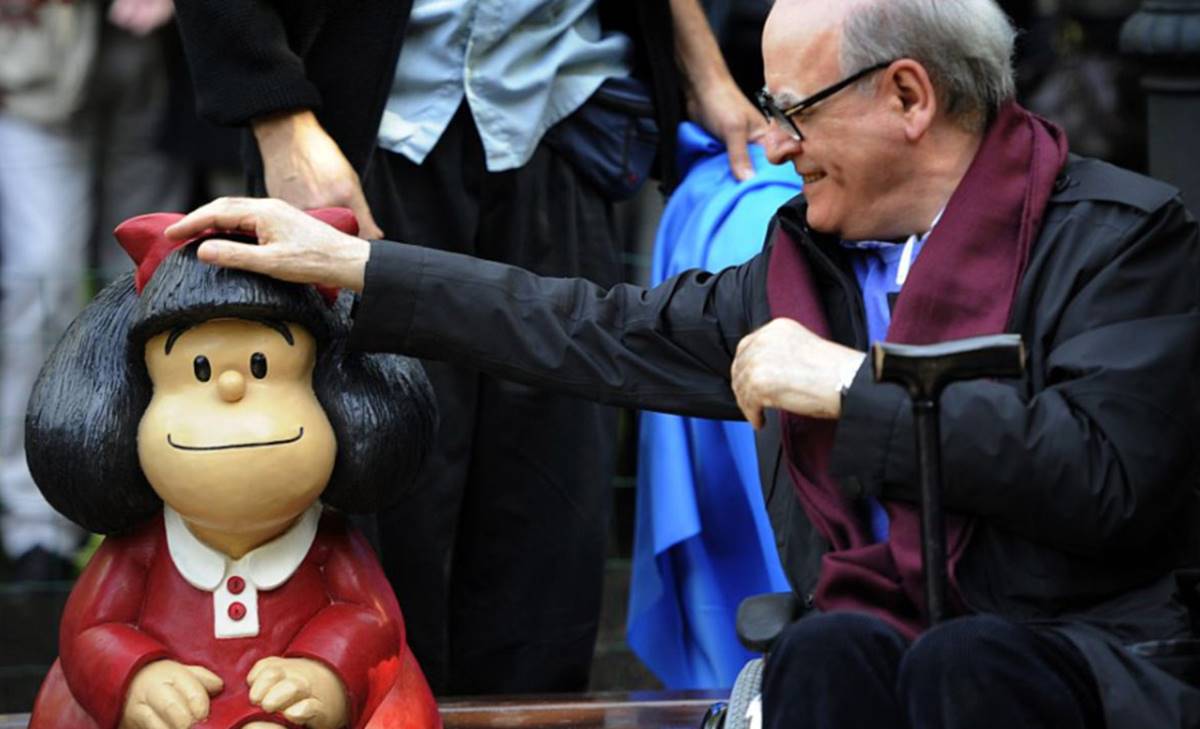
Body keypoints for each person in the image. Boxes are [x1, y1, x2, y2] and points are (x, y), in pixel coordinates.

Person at [168, 0, 1200, 726]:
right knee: (828, 650)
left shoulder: (1121, 235)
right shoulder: (804, 264)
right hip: (881, 649)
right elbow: (586, 325)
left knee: (964, 661)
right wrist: (356, 266)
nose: (778, 145)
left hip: (1083, 658)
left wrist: (852, 390)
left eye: (795, 109)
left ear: (909, 96)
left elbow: (1103, 480)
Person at [171, 0, 763, 695]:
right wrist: (278, 117)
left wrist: (705, 73)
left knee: (551, 517)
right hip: (351, 147)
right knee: (371, 499)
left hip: (559, 117)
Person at [27, 210, 439, 729]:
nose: (230, 391)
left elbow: (371, 622)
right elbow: (91, 631)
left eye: (262, 366)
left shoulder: (329, 548)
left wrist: (323, 674)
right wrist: (134, 677)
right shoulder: (141, 553)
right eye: (198, 370)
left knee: (395, 696)